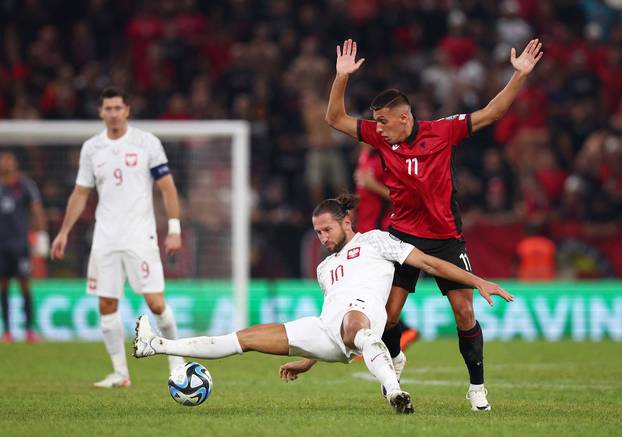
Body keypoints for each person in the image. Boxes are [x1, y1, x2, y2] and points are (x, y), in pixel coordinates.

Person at [133, 194, 513, 414]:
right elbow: (328, 315)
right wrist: (308, 358)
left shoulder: (378, 241)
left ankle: (394, 390)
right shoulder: (324, 268)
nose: (323, 237)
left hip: (362, 322)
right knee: (244, 338)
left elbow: (430, 263)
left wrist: (477, 280)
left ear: (346, 222)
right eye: (317, 232)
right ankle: (157, 346)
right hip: (327, 330)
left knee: (354, 324)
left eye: (327, 229)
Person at [325, 38, 542, 411]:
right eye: (376, 121)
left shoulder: (442, 132)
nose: (378, 128)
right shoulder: (380, 137)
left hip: (445, 238)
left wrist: (518, 75)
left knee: (464, 313)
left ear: (404, 118)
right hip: (402, 238)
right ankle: (395, 361)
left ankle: (477, 389)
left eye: (383, 121)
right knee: (389, 315)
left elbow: (490, 114)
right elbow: (334, 118)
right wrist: (341, 77)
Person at [51, 87, 185, 388]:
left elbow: (167, 188)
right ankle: (120, 374)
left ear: (127, 110)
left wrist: (174, 229)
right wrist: (63, 232)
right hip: (105, 238)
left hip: (140, 236)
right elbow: (81, 192)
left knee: (155, 303)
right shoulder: (91, 148)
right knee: (106, 306)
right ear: (101, 112)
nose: (113, 113)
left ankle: (176, 362)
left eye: (118, 108)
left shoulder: (146, 143)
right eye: (107, 108)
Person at [354, 143, 419, 363]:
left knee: (378, 290)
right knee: (372, 289)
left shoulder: (384, 161)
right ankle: (377, 340)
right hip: (365, 232)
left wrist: (372, 185)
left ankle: (403, 331)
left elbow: (400, 197)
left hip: (381, 232)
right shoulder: (364, 157)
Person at [0, 151, 49, 343]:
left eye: (9, 160)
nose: (6, 163)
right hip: (1, 246)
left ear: (15, 163)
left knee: (24, 286)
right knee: (3, 287)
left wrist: (41, 235)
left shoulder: (24, 185)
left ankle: (29, 330)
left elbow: (37, 210)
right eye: (3, 160)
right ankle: (7, 332)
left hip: (20, 245)